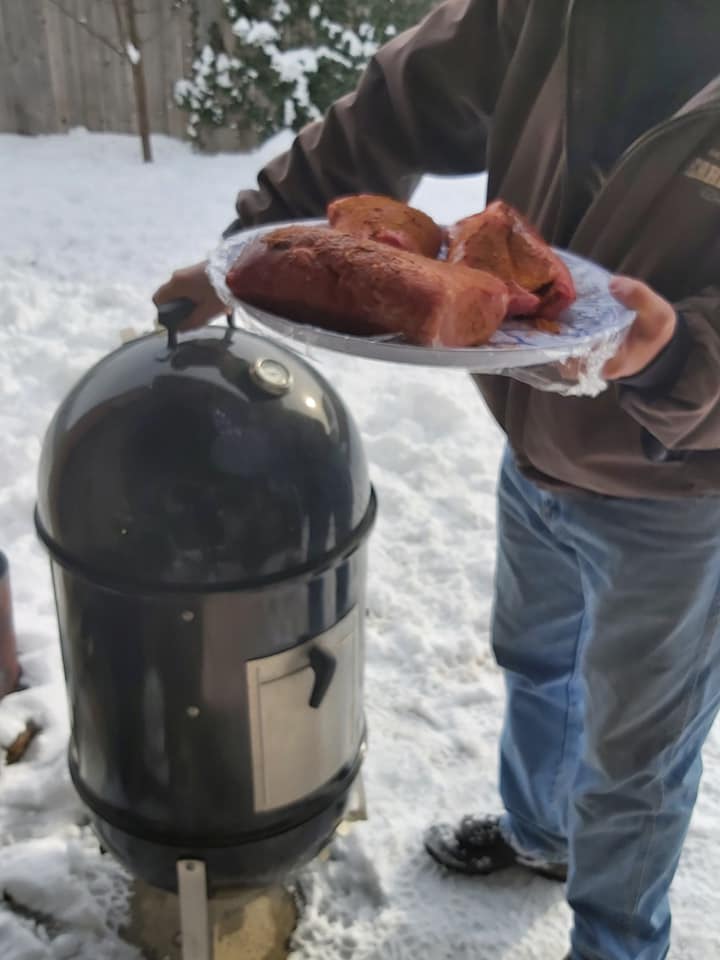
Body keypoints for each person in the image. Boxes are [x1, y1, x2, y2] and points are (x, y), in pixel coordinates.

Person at [153, 3, 720, 957]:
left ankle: (617, 943)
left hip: (678, 488)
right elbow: (397, 101)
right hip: (533, 438)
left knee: (636, 761)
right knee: (537, 663)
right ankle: (543, 838)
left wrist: (677, 361)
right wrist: (252, 248)